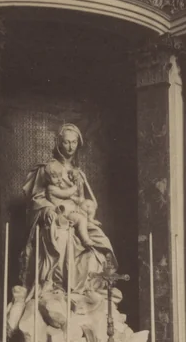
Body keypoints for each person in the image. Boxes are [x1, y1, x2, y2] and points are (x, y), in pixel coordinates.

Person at [21, 123, 115, 295]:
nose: (70, 146)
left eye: (74, 142)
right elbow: (37, 197)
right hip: (56, 219)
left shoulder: (78, 173)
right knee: (62, 237)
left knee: (101, 244)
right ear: (59, 143)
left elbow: (80, 198)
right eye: (66, 142)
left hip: (77, 215)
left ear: (78, 143)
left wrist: (85, 206)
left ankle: (87, 289)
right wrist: (48, 210)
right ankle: (54, 285)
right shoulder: (47, 169)